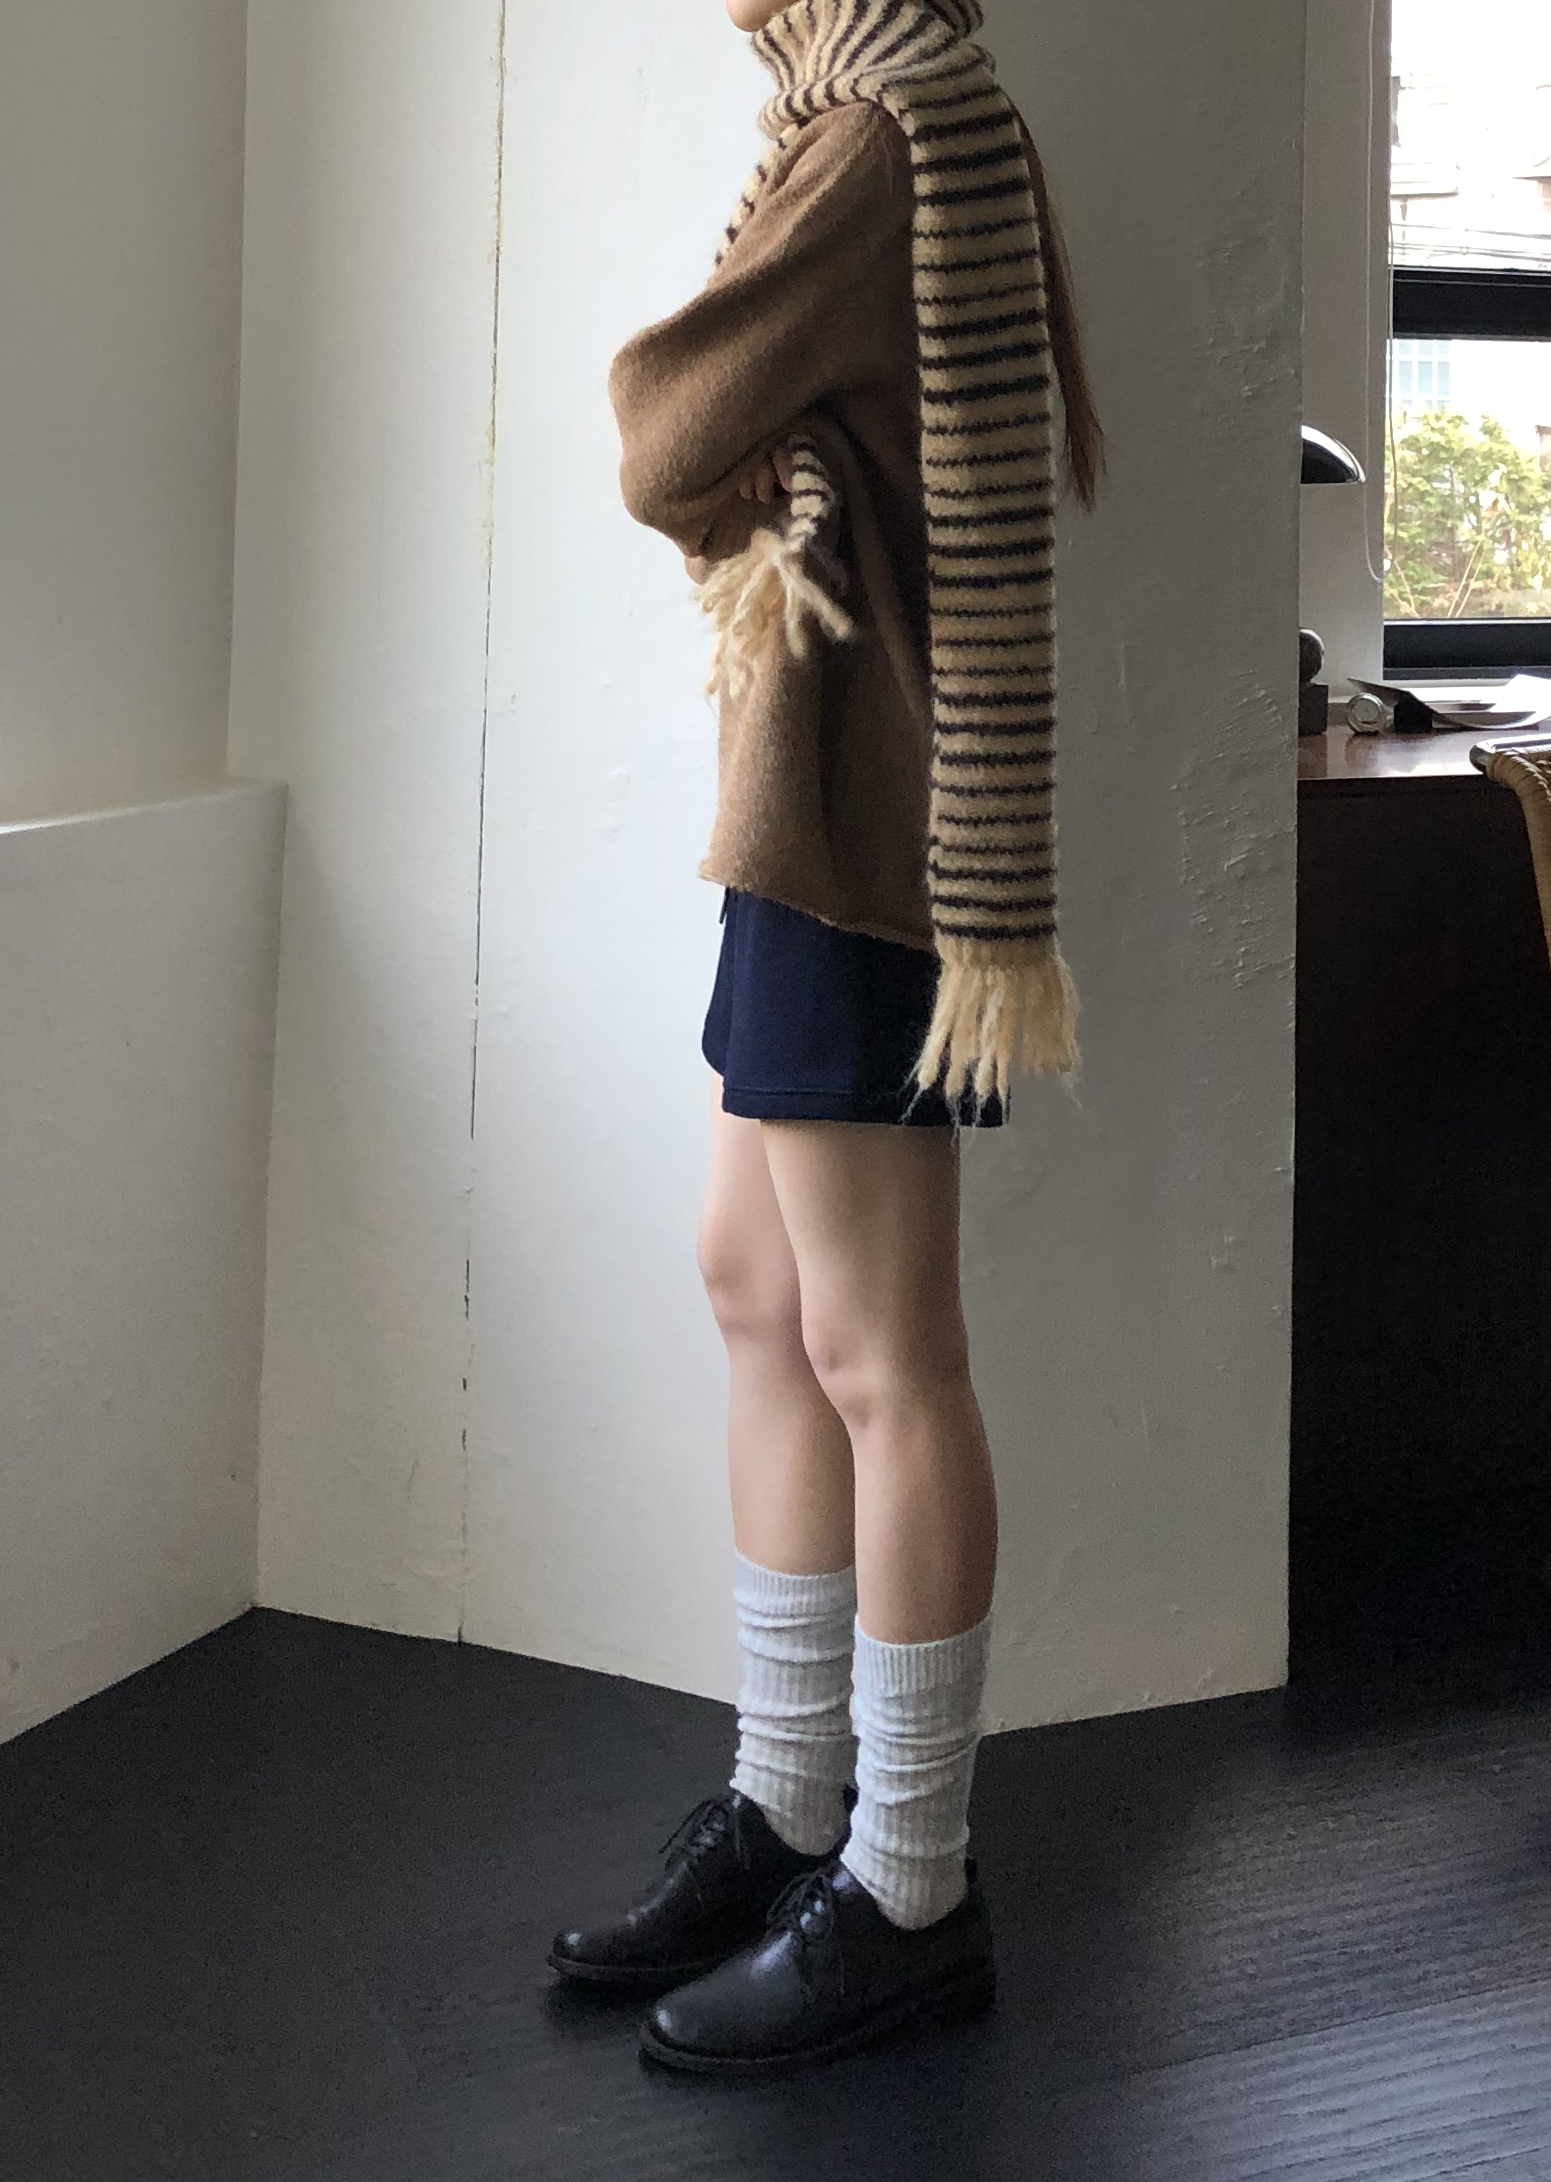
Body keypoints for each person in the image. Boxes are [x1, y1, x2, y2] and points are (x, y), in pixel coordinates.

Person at [549, 0, 1100, 2076]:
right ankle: (792, 1802)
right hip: (807, 805)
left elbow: (658, 425)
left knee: (884, 1348)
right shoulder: (864, 115)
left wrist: (746, 446)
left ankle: (912, 1889)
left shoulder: (876, 136)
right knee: (756, 1285)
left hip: (875, 829)